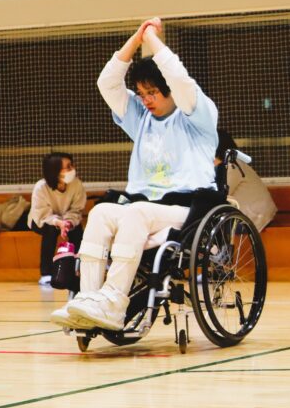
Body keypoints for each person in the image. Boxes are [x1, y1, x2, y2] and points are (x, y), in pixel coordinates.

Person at [50, 18, 218, 330]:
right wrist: (136, 38)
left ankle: (114, 301)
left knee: (136, 212)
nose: (145, 100)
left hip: (185, 208)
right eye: (141, 93)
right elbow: (108, 83)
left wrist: (152, 39)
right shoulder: (140, 117)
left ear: (169, 91)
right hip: (143, 207)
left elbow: (179, 78)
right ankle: (88, 300)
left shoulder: (197, 116)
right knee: (101, 212)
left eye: (152, 92)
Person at [28, 152, 85, 285]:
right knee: (50, 230)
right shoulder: (41, 188)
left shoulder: (76, 184)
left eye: (72, 165)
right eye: (68, 167)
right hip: (43, 221)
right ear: (55, 171)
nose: (73, 169)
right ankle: (46, 273)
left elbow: (77, 209)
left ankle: (76, 270)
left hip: (67, 219)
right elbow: (41, 214)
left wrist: (68, 222)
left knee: (77, 231)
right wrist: (58, 223)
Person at [215, 129, 277, 231]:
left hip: (255, 218)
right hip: (252, 215)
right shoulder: (234, 163)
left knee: (211, 228)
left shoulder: (232, 166)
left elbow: (219, 195)